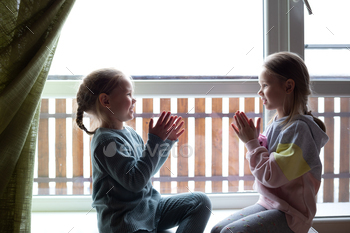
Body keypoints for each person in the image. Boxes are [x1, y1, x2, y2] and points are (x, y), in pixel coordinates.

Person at [75, 68, 211, 233]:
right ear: (106, 101)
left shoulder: (130, 133)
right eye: (128, 95)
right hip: (126, 223)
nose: (134, 100)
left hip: (150, 210)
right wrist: (155, 142)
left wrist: (165, 143)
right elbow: (135, 182)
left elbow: (146, 171)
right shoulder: (106, 142)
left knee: (200, 202)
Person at [211, 52, 329, 233]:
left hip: (292, 214)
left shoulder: (299, 131)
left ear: (289, 86)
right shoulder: (276, 123)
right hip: (270, 203)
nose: (260, 92)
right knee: (217, 229)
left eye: (265, 85)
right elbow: (265, 162)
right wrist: (255, 140)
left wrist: (251, 143)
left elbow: (271, 176)